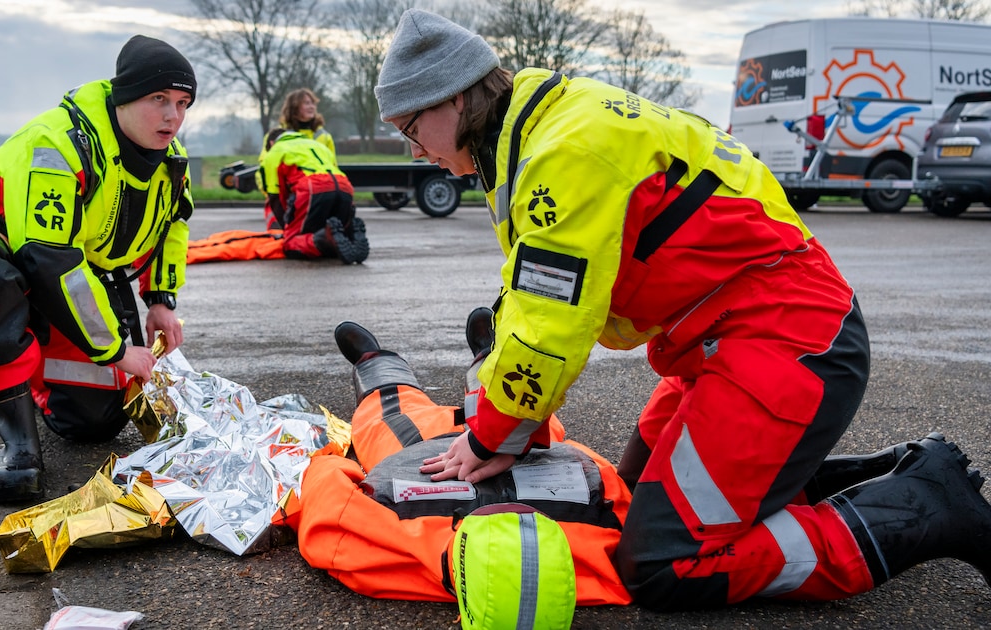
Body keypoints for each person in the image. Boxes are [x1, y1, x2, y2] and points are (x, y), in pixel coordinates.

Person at [373, 8, 991, 611]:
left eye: (408, 129)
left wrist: (489, 434)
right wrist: (509, 414)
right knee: (635, 492)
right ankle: (891, 474)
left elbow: (549, 324)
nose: (412, 151)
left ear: (452, 99)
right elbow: (528, 292)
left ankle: (927, 507)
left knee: (664, 561)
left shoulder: (562, 153)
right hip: (733, 337)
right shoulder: (547, 126)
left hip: (787, 342)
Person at [0, 34, 197, 505]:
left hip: (72, 270)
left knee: (93, 424)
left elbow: (174, 225)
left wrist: (161, 300)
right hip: (4, 253)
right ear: (124, 97)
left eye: (183, 102)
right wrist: (112, 349)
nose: (173, 117)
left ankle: (40, 354)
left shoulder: (168, 160)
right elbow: (47, 257)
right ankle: (19, 442)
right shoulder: (59, 143)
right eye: (159, 99)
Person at [294, 311, 632, 629]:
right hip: (528, 449)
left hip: (419, 446)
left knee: (389, 406)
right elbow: (594, 469)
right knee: (522, 403)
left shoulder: (391, 553)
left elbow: (327, 498)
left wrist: (327, 456)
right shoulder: (608, 561)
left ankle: (378, 362)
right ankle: (489, 357)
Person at [258, 128, 369, 263]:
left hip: (312, 187)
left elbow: (275, 197)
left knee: (290, 243)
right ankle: (349, 233)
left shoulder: (275, 152)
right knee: (335, 230)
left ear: (271, 142)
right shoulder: (317, 145)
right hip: (343, 185)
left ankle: (325, 239)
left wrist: (287, 227)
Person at [258, 88, 335, 229]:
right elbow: (265, 166)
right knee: (281, 232)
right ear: (294, 107)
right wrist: (272, 194)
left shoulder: (323, 136)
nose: (312, 106)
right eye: (306, 103)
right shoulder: (276, 136)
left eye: (313, 103)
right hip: (287, 192)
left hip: (316, 191)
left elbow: (333, 166)